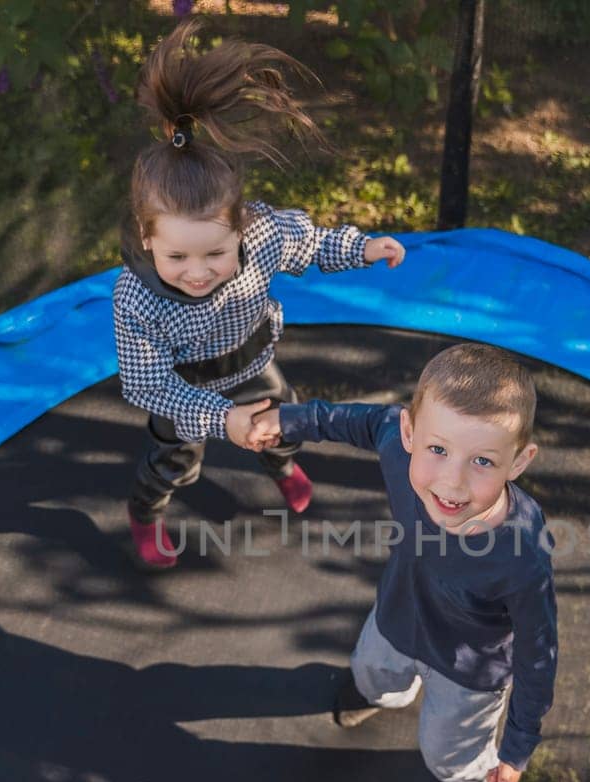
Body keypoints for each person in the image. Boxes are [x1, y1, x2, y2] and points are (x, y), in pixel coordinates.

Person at [114, 19, 406, 570]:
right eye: (177, 257)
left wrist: (362, 248)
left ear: (241, 227)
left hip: (252, 361)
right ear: (148, 237)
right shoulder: (136, 299)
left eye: (215, 254)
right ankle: (145, 512)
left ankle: (284, 463)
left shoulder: (265, 234)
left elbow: (315, 242)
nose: (198, 273)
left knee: (283, 422)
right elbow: (145, 382)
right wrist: (222, 420)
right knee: (174, 462)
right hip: (185, 387)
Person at [245, 344, 559, 782]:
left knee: (448, 750)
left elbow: (538, 656)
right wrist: (290, 419)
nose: (452, 484)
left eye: (482, 461)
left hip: (468, 670)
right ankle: (380, 694)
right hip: (397, 616)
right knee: (372, 674)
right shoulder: (399, 444)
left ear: (518, 462)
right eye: (438, 450)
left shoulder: (522, 554)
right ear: (412, 435)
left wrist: (517, 747)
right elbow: (363, 422)